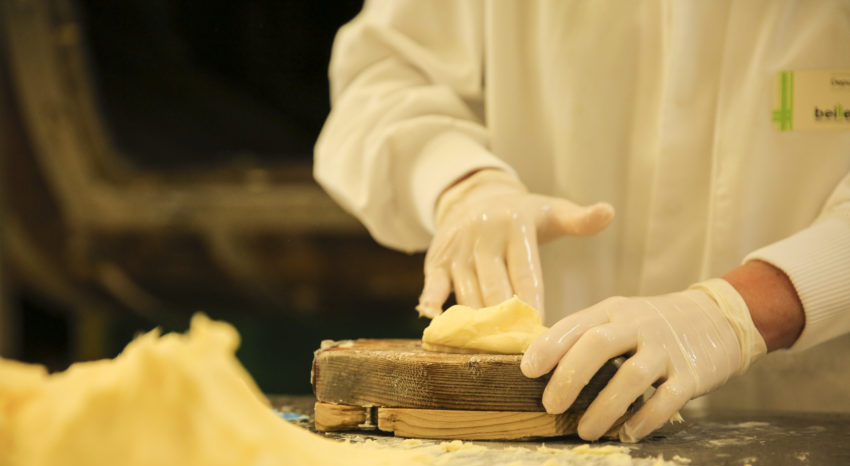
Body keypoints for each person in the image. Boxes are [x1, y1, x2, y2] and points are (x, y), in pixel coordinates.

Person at [314, 1, 850, 441]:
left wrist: (738, 313)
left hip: (814, 426)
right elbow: (383, 77)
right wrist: (464, 182)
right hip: (547, 425)